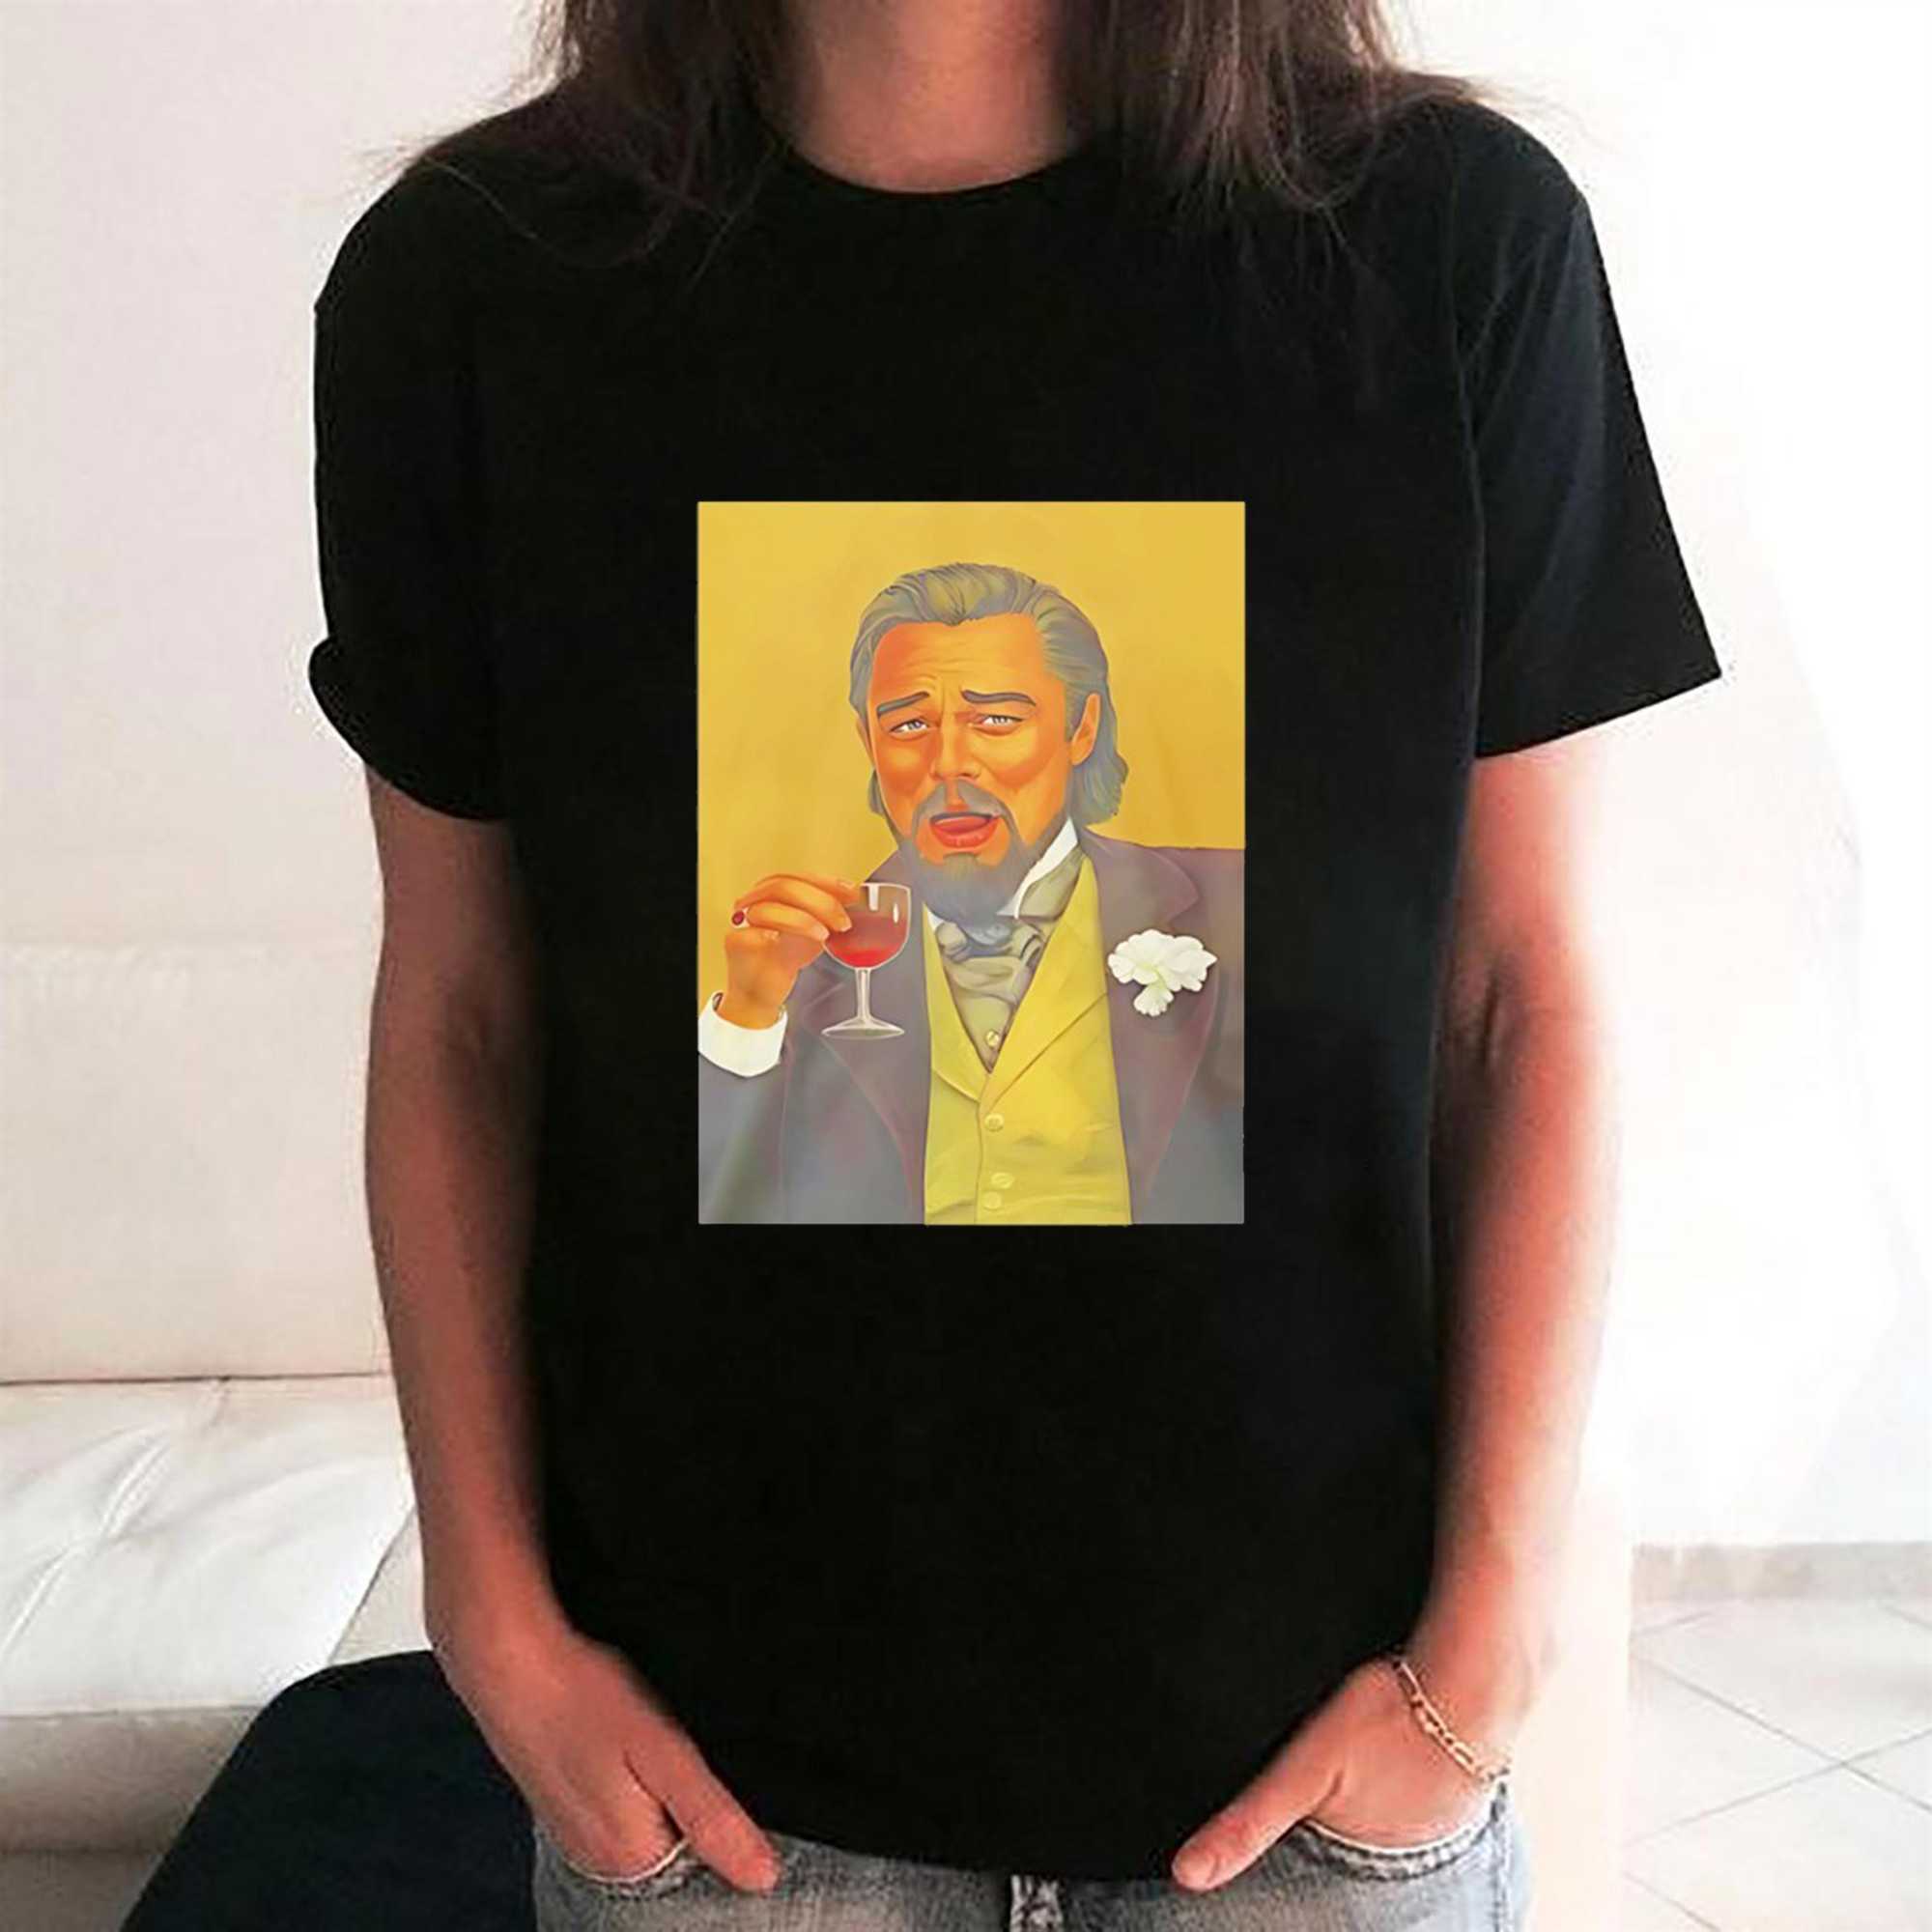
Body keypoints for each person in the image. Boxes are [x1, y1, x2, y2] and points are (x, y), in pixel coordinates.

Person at [286, 0, 1724, 1925]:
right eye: (907, 727)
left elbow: (1518, 997)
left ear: (1082, 735)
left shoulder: (1453, 243)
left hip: (1309, 1771)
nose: (949, 764)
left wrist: (1486, 1637)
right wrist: (493, 1619)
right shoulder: (465, 287)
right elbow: (462, 1014)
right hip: (716, 1798)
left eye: (997, 722)